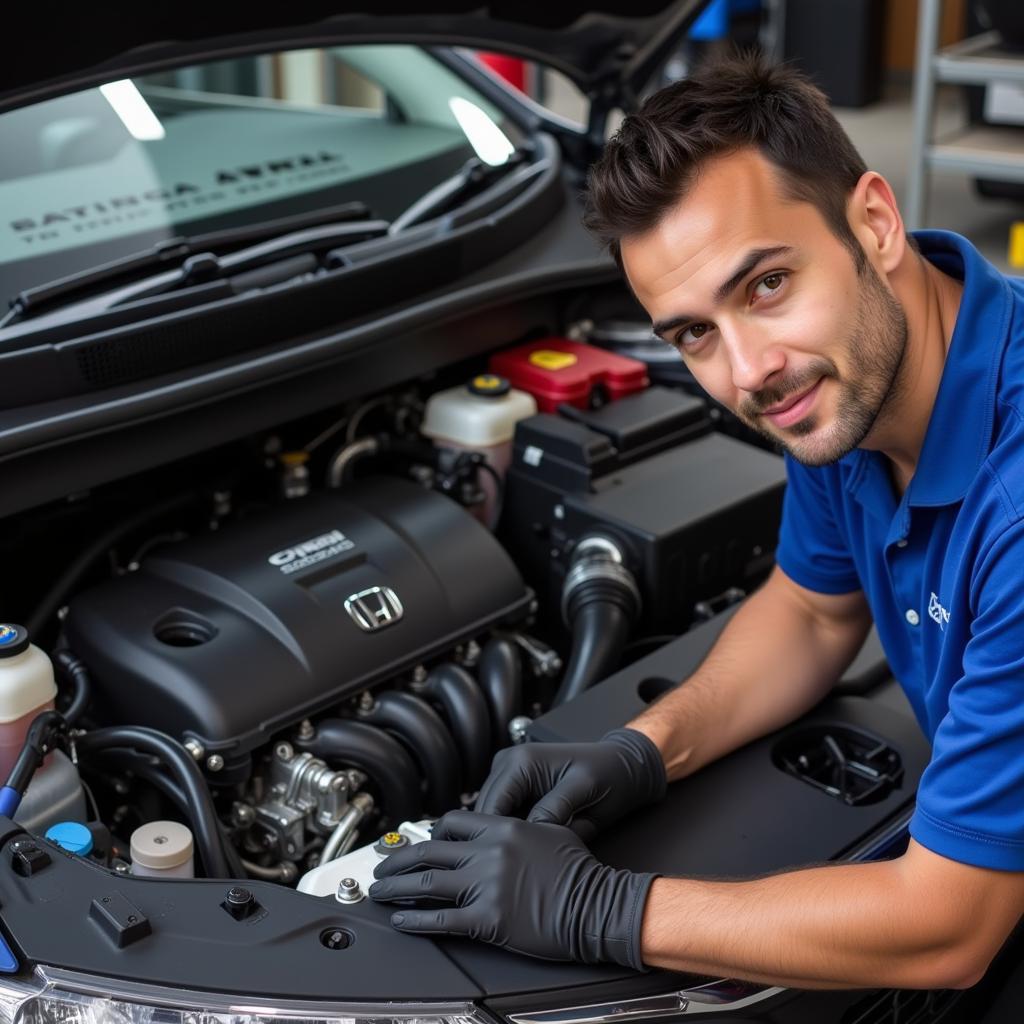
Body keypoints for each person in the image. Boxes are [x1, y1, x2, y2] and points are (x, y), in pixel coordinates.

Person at [369, 53, 1024, 989]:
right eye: (695, 333)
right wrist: (645, 750)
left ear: (874, 223)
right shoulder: (859, 386)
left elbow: (948, 927)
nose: (749, 370)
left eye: (764, 285)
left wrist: (597, 909)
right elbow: (813, 611)